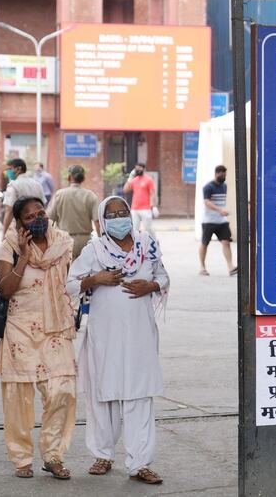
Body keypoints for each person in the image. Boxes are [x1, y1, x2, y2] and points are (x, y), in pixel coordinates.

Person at [67, 196, 169, 485]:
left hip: (140, 336)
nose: (119, 217)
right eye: (112, 214)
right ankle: (103, 455)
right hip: (105, 336)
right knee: (103, 394)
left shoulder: (146, 244)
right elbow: (71, 284)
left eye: (123, 212)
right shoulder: (94, 249)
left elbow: (163, 276)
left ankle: (140, 464)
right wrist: (96, 279)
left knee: (140, 395)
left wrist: (150, 285)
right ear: (102, 220)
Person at [0, 196, 77, 480]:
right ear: (19, 223)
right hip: (21, 330)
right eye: (29, 217)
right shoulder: (10, 246)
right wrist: (25, 258)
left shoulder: (63, 244)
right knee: (18, 398)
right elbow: (4, 289)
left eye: (40, 213)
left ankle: (53, 455)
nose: (38, 218)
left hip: (56, 329)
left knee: (63, 390)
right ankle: (21, 458)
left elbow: (73, 282)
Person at [48, 165, 100, 259]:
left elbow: (49, 219)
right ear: (83, 178)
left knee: (65, 271)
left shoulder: (59, 194)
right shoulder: (91, 195)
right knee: (84, 271)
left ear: (69, 177)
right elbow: (97, 221)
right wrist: (101, 241)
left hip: (64, 240)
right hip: (85, 241)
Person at [200, 165, 237, 276]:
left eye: (225, 175)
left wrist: (223, 211)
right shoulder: (208, 187)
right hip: (209, 221)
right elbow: (206, 202)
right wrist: (219, 210)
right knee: (205, 243)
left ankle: (230, 267)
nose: (224, 177)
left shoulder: (224, 186)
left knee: (226, 242)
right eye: (222, 175)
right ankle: (202, 267)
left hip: (222, 221)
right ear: (217, 173)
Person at [1, 158, 45, 234]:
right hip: (38, 229)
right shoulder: (37, 184)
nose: (8, 172)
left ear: (18, 169)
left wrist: (4, 234)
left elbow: (9, 211)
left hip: (20, 230)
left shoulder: (13, 185)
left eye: (10, 169)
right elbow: (43, 207)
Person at [123, 162, 157, 234]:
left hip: (146, 209)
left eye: (139, 168)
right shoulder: (134, 180)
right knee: (134, 229)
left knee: (148, 228)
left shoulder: (148, 180)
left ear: (144, 169)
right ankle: (136, 243)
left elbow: (152, 194)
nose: (138, 169)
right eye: (136, 168)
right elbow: (125, 190)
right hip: (134, 209)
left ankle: (153, 242)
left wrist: (153, 206)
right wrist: (130, 178)